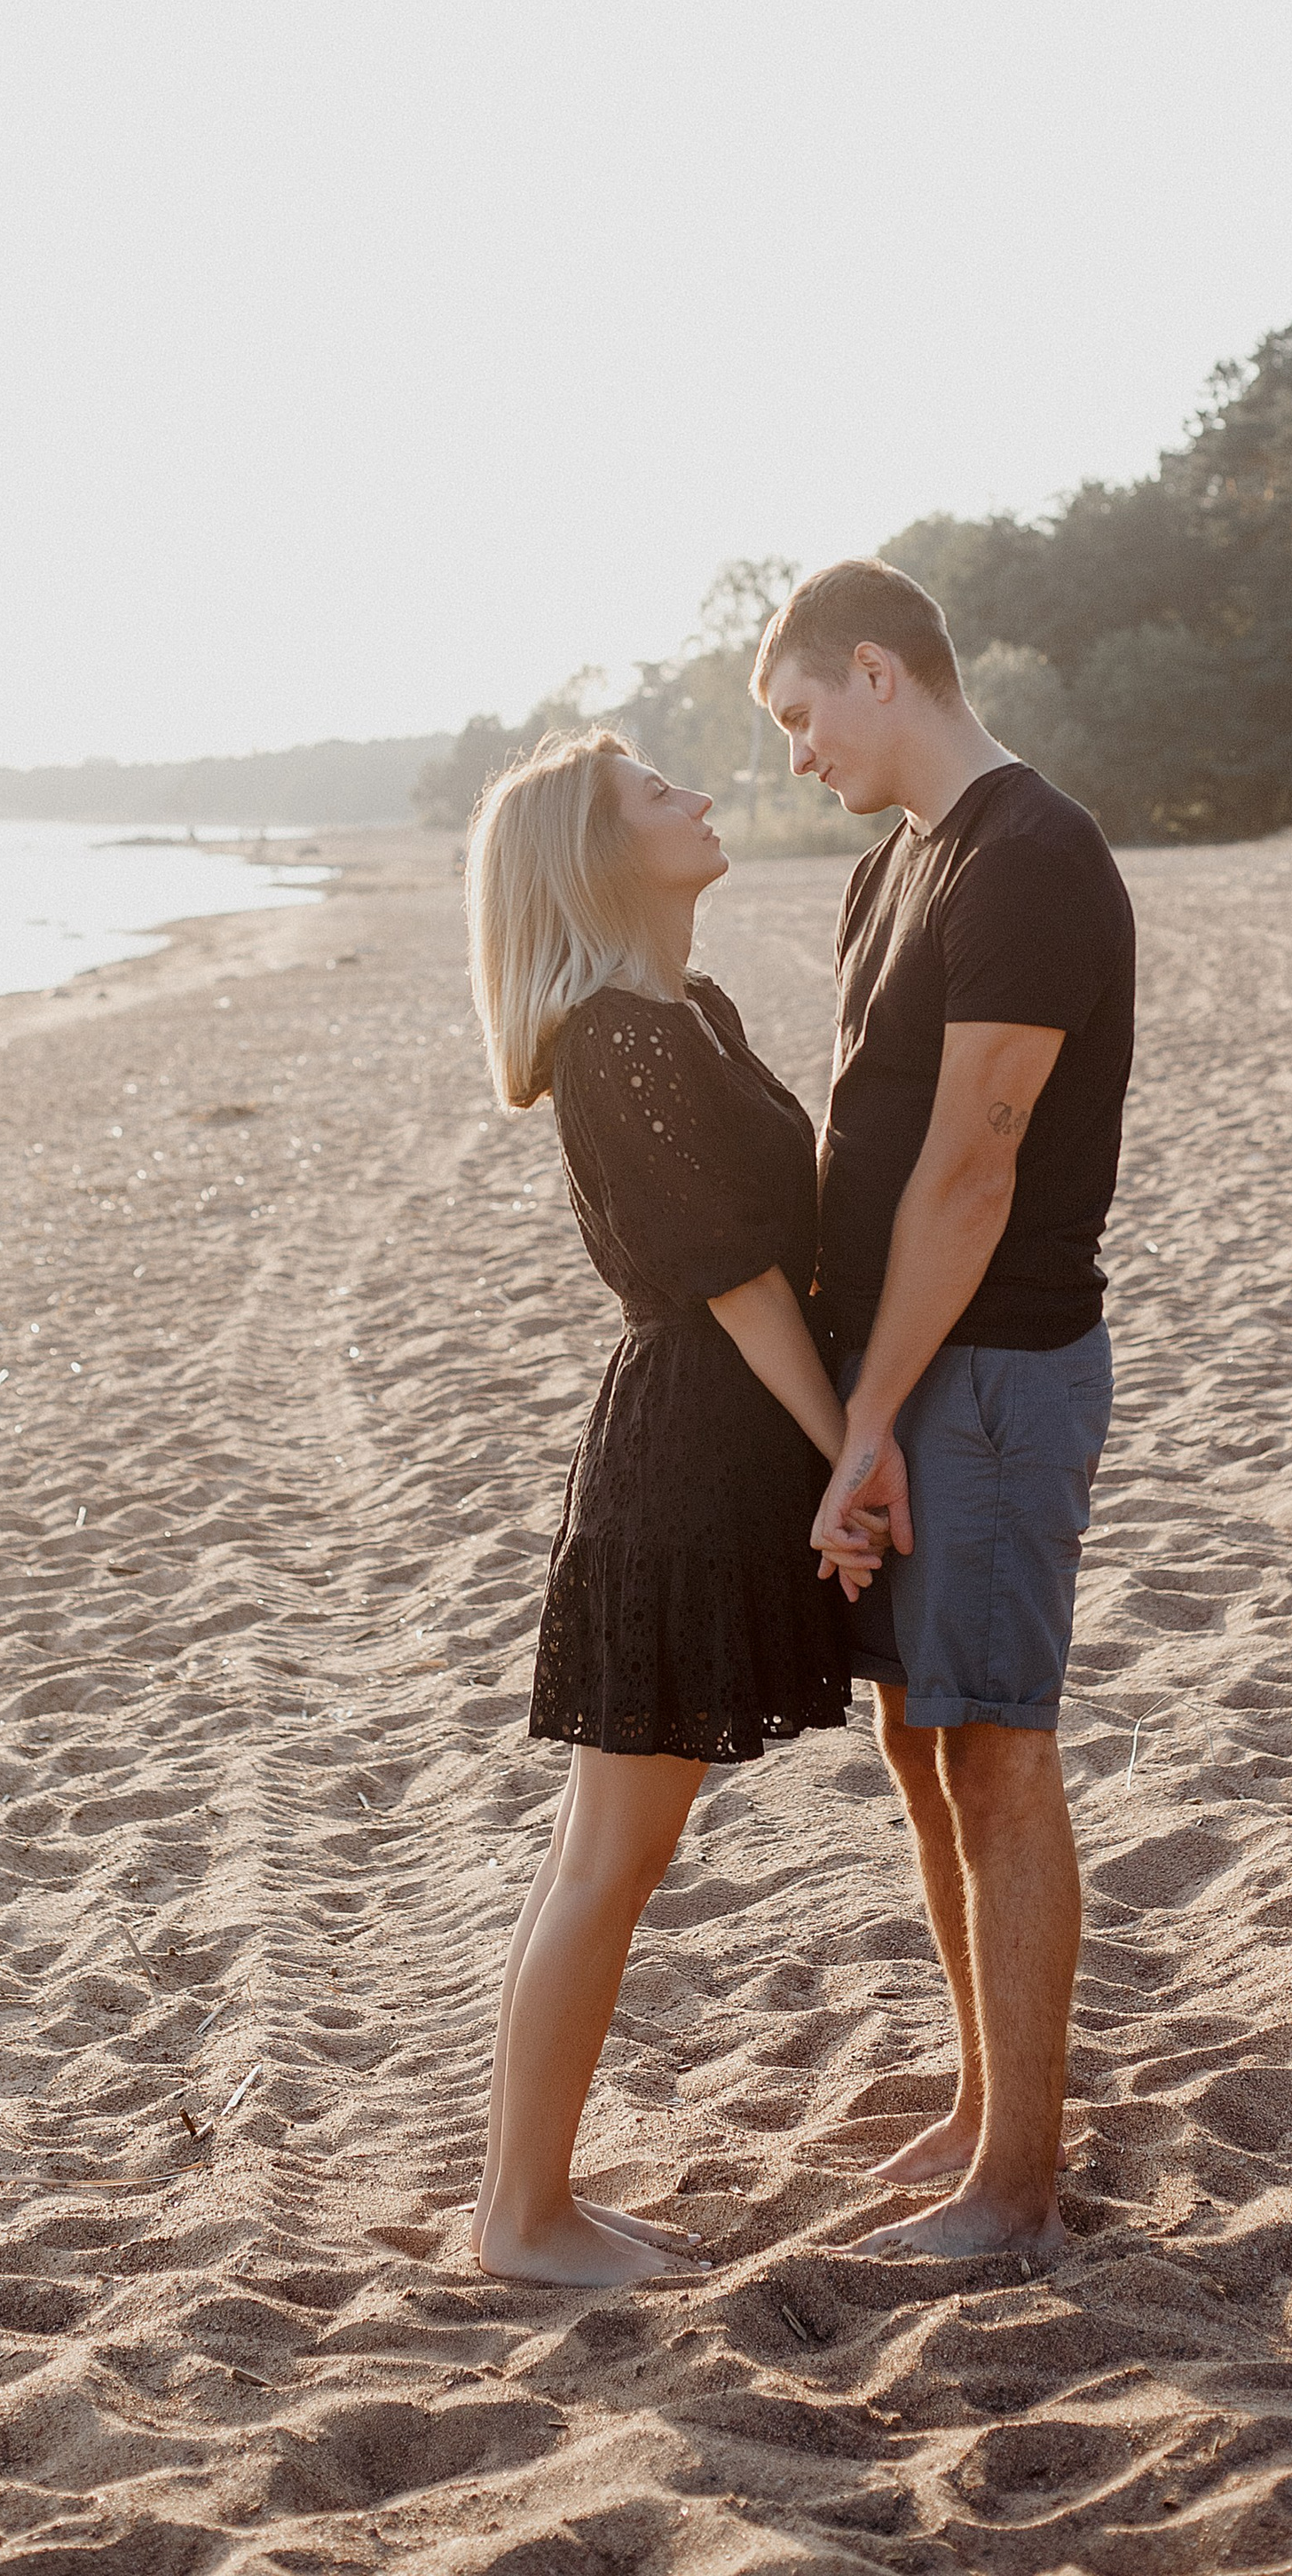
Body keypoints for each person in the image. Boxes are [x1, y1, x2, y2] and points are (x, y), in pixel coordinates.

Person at [754, 560, 1135, 2264]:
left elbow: (973, 1175)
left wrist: (874, 1416)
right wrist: (852, 1398)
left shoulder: (1035, 858)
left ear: (876, 669)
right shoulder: (890, 868)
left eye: (799, 716)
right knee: (923, 1745)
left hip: (990, 1378)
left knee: (997, 1754)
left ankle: (1021, 2184)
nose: (795, 753)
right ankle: (988, 2098)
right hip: (903, 1378)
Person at [462, 728, 853, 2287]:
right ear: (601, 855)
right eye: (658, 796)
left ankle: (525, 2203)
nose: (697, 798)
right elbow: (739, 1278)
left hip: (717, 1440)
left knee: (602, 1855)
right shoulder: (617, 1036)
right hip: (691, 1457)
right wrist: (848, 1449)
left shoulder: (687, 1009)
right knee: (609, 1860)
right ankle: (522, 2219)